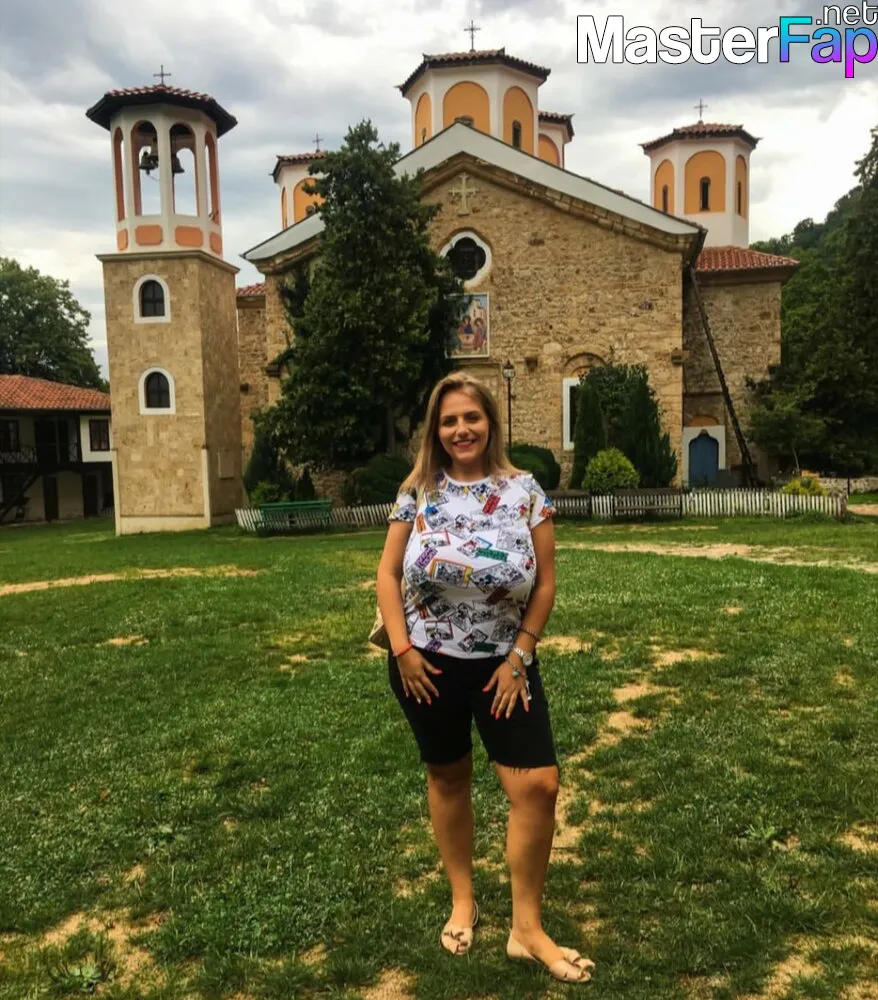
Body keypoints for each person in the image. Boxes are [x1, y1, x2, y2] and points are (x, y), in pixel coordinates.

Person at [375, 373, 595, 984]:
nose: (461, 429)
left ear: (490, 422)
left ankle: (526, 928)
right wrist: (402, 651)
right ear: (436, 430)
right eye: (449, 421)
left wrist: (520, 654)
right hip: (426, 666)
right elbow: (387, 574)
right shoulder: (417, 491)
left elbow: (544, 582)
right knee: (448, 776)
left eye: (471, 417)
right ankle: (463, 900)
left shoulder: (524, 491)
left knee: (538, 787)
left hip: (506, 666)